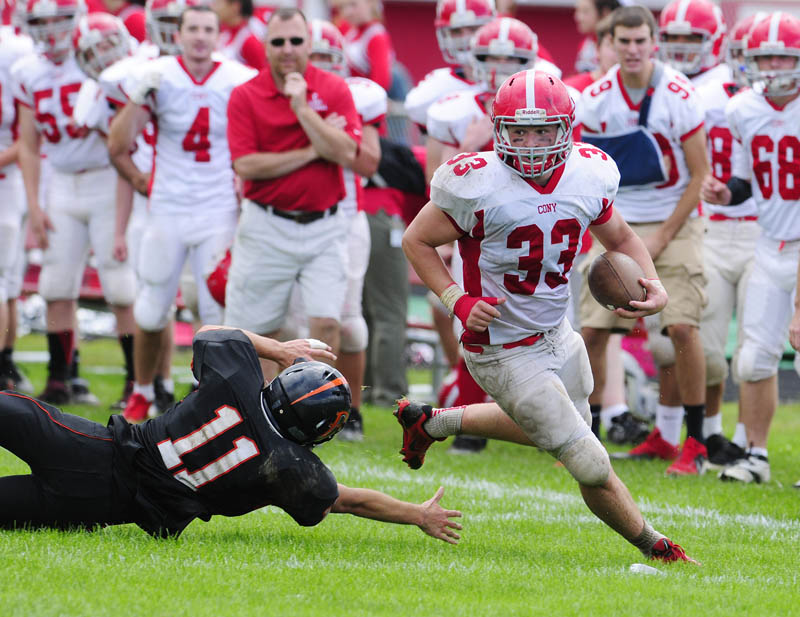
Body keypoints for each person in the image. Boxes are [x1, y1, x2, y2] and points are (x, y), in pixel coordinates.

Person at [398, 67, 695, 563]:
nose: (531, 143)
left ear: (566, 129)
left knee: (562, 429)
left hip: (556, 331)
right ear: (499, 130)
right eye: (519, 131)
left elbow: (620, 238)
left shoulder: (588, 173)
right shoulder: (477, 183)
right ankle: (656, 546)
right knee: (588, 460)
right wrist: (457, 300)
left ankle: (433, 423)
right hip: (498, 346)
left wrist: (654, 283)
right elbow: (417, 240)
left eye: (543, 130)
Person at [0, 326, 463, 543]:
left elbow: (212, 332)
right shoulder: (291, 467)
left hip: (90, 449)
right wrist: (416, 515)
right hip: (102, 507)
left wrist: (280, 349)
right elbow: (349, 500)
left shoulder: (234, 381)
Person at [578, 5, 710, 475]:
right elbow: (584, 172)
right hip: (614, 224)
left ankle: (695, 442)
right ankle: (585, 437)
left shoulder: (680, 93)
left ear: (654, 42)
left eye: (640, 41)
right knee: (591, 330)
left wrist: (662, 237)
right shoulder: (594, 99)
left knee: (681, 328)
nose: (632, 50)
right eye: (623, 41)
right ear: (609, 44)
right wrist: (603, 234)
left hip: (675, 222)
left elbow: (699, 175)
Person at [108, 4, 256, 422]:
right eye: (193, 28)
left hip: (217, 208)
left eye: (208, 29)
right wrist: (138, 99)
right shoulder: (157, 76)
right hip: (168, 206)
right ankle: (141, 391)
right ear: (179, 32)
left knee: (213, 311)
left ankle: (209, 396)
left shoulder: (237, 78)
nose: (200, 37)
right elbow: (117, 145)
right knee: (151, 308)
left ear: (218, 34)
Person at [223, 7, 361, 379]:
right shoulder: (246, 94)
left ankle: (315, 408)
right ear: (265, 46)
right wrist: (316, 148)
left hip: (325, 224)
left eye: (296, 41)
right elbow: (246, 166)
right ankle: (265, 411)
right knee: (258, 331)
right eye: (278, 41)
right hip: (266, 222)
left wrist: (302, 108)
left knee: (328, 325)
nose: (287, 49)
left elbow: (348, 153)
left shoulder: (333, 88)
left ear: (309, 44)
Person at [14, 0, 137, 406]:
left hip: (106, 178)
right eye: (41, 21)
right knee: (54, 285)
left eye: (58, 19)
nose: (50, 30)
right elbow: (29, 145)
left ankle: (136, 381)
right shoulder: (27, 71)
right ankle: (60, 377)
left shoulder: (97, 56)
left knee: (120, 286)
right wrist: (34, 203)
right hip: (62, 183)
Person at [701, 11, 800, 484]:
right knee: (753, 357)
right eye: (765, 57)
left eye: (784, 56)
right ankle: (757, 457)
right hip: (770, 241)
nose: (775, 66)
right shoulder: (743, 108)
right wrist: (727, 193)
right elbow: (747, 180)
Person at [661, 2, 760, 470]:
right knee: (704, 341)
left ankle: (744, 443)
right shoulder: (665, 88)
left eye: (690, 39)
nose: (680, 49)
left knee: (752, 350)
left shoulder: (729, 93)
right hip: (708, 225)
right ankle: (716, 435)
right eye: (673, 38)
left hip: (759, 224)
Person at [0, 18, 34, 393]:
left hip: (7, 184)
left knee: (3, 281)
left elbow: (27, 141)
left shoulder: (17, 74)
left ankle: (4, 361)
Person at [337, 0, 393, 92]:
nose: (347, 12)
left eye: (353, 4)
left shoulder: (376, 36)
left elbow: (380, 85)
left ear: (370, 2)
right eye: (342, 7)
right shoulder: (348, 30)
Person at [210, 0, 267, 70]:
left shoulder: (249, 40)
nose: (214, 7)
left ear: (235, 6)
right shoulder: (224, 33)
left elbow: (262, 73)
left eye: (218, 3)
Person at [572, 0, 620, 74]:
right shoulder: (585, 43)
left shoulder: (617, 45)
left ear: (605, 12)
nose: (578, 17)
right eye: (578, 11)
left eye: (585, 11)